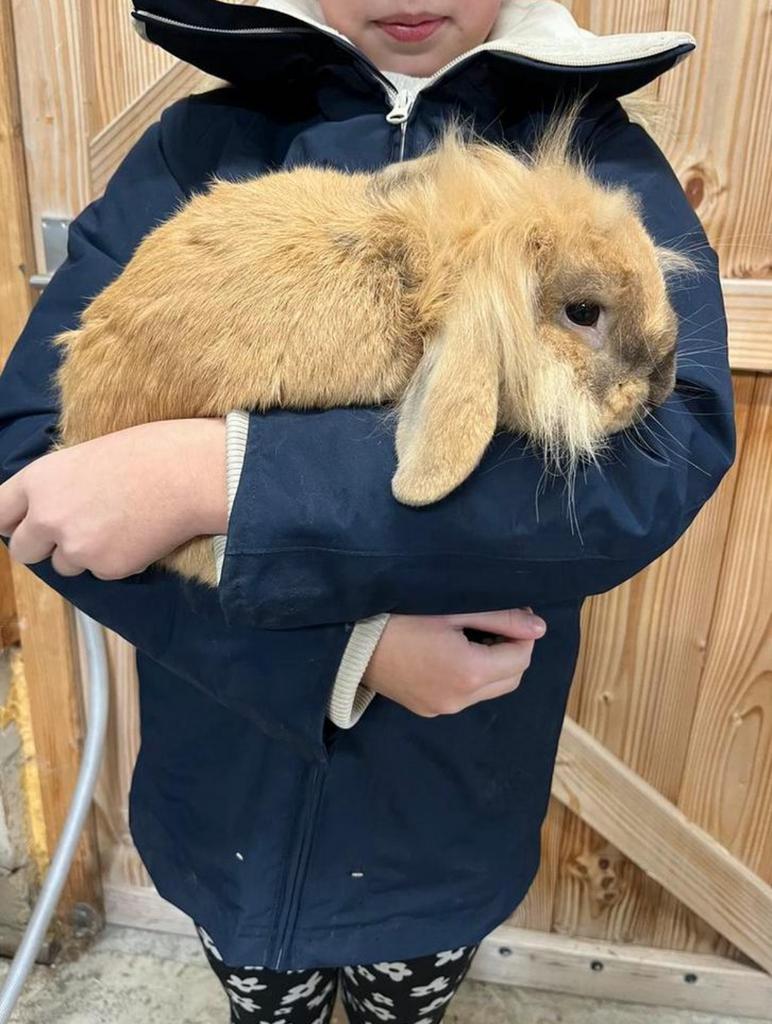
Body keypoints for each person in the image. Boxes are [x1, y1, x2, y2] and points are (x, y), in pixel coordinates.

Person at [0, 2, 735, 1022]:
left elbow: (663, 449)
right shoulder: (197, 143)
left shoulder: (601, 155)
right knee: (264, 1001)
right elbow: (42, 469)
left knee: (410, 1002)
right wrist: (338, 655)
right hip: (228, 804)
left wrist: (223, 477)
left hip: (439, 815)